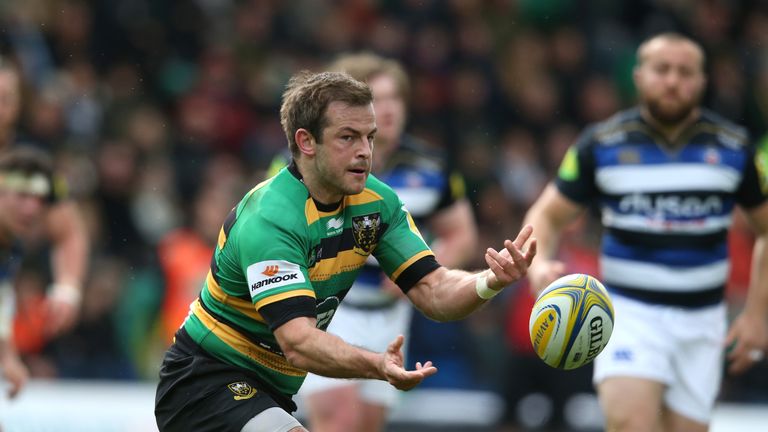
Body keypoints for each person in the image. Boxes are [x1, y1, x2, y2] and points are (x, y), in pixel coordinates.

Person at [154, 70, 536, 432]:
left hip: (271, 389)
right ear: (306, 142)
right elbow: (299, 343)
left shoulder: (379, 203)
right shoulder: (271, 218)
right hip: (204, 379)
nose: (365, 152)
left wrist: (489, 281)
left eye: (370, 137)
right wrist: (377, 365)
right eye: (348, 137)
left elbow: (434, 290)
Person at [522, 32, 768, 432]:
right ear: (639, 76)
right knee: (631, 425)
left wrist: (759, 316)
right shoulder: (600, 144)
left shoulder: (734, 148)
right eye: (662, 69)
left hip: (703, 322)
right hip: (627, 314)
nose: (673, 81)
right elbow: (546, 216)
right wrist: (540, 265)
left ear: (703, 81)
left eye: (685, 72)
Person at [291, 53, 478, 432]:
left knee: (367, 426)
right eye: (378, 98)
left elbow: (462, 234)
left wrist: (416, 267)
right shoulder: (314, 162)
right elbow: (276, 222)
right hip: (331, 308)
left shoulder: (431, 167)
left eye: (396, 98)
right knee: (339, 421)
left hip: (391, 317)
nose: (389, 109)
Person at [0, 60, 88, 338]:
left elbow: (69, 230)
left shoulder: (32, 164)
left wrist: (67, 289)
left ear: (18, 105)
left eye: (5, 99)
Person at [0, 148, 59, 398]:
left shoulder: (11, 246)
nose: (32, 209)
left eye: (39, 199)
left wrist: (7, 357)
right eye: (23, 196)